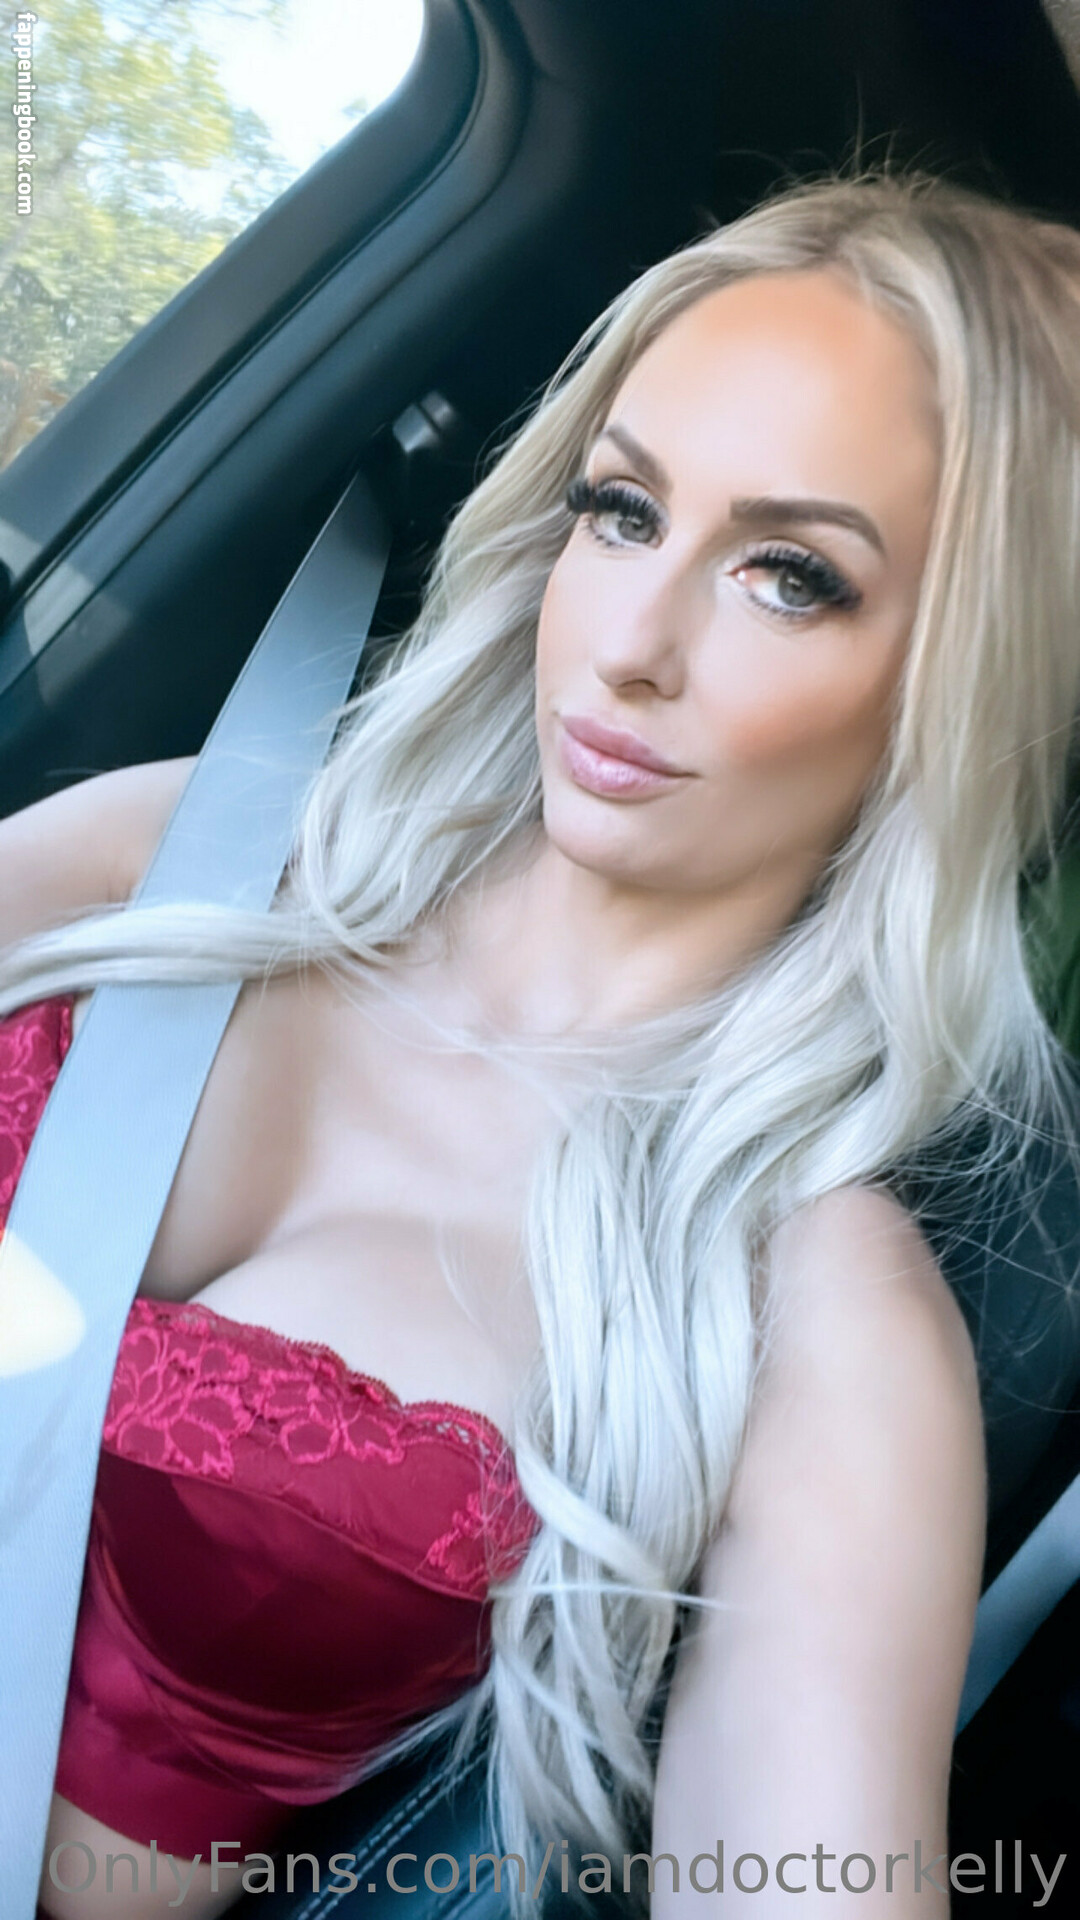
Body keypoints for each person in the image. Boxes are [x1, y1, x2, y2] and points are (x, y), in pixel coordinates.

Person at [3, 165, 1080, 1920]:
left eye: (792, 576)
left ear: (954, 688)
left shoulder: (814, 1314)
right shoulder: (183, 854)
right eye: (624, 509)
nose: (631, 646)